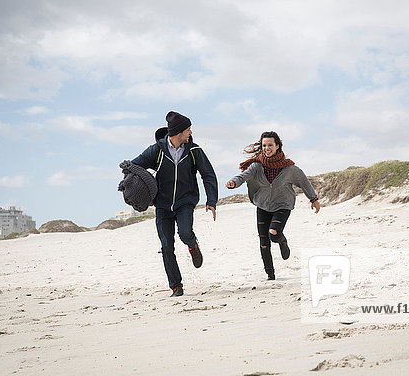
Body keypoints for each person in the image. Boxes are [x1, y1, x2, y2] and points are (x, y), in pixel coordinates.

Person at [131, 111, 218, 297]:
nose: (190, 133)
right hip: (162, 205)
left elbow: (208, 175)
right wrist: (134, 187)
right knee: (166, 246)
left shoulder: (194, 151)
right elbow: (134, 165)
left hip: (185, 202)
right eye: (187, 130)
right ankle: (176, 286)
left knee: (185, 233)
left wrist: (211, 200)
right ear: (178, 133)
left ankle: (193, 245)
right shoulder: (156, 150)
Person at [225, 131, 320, 280]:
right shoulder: (257, 166)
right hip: (262, 205)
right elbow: (243, 176)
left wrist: (313, 199)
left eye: (270, 145)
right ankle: (270, 275)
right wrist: (234, 182)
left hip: (283, 205)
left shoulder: (290, 168)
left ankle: (282, 241)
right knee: (264, 242)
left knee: (274, 234)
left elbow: (304, 182)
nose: (266, 148)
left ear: (277, 146)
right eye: (264, 145)